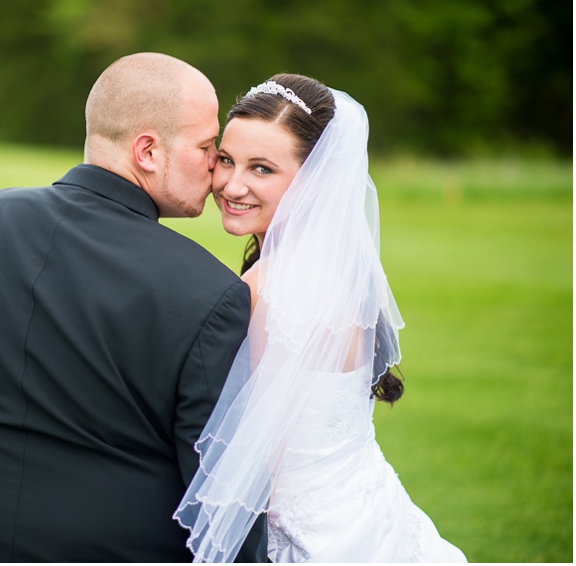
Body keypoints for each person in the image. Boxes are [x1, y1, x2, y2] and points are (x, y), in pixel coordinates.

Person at [0, 52, 267, 562]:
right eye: (205, 145)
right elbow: (218, 484)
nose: (216, 163)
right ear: (147, 151)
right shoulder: (210, 292)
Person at [174, 74, 468, 563]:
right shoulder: (335, 269)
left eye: (261, 169)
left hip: (310, 536)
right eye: (225, 159)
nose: (231, 183)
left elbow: (253, 460)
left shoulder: (267, 287)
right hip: (367, 511)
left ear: (316, 181)